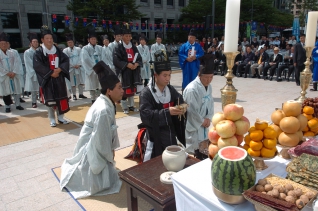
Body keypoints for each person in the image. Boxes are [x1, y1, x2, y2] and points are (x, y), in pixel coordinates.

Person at [60, 61, 123, 199]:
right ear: (109, 91)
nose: (122, 90)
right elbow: (101, 140)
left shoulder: (106, 102)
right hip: (91, 146)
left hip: (93, 141)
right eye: (119, 87)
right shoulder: (104, 109)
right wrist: (110, 154)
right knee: (103, 180)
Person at [139, 52, 186, 160]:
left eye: (169, 75)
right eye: (164, 75)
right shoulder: (146, 93)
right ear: (155, 75)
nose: (168, 78)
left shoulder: (170, 89)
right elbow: (146, 115)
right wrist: (167, 112)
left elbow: (180, 99)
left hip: (170, 135)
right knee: (156, 165)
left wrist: (182, 107)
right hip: (155, 137)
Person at [33, 25, 70, 126]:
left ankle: (61, 117)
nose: (49, 40)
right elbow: (37, 65)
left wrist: (60, 69)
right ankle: (52, 118)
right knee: (50, 101)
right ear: (42, 40)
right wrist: (50, 73)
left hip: (59, 78)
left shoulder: (57, 50)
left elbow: (65, 60)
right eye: (47, 38)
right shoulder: (39, 52)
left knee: (61, 98)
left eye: (51, 38)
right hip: (48, 80)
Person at [183, 55, 214, 158]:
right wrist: (202, 121)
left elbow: (211, 103)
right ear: (199, 75)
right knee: (193, 153)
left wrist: (209, 118)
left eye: (211, 77)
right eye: (206, 77)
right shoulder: (192, 89)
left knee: (204, 149)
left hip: (204, 124)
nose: (208, 80)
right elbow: (191, 110)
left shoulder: (208, 87)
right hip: (195, 125)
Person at [113, 25, 142, 114]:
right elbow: (116, 60)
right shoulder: (118, 47)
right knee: (124, 90)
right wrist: (126, 65)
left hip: (133, 70)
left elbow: (139, 58)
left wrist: (137, 64)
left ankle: (132, 106)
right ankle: (125, 107)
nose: (128, 38)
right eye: (126, 36)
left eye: (129, 36)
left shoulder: (133, 46)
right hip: (124, 71)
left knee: (132, 90)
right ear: (122, 36)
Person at [0, 32, 24, 113]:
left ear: (7, 44)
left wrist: (14, 72)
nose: (3, 45)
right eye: (2, 43)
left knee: (16, 89)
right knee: (6, 91)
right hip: (4, 76)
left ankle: (18, 104)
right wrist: (7, 73)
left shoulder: (13, 52)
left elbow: (17, 62)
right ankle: (7, 106)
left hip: (14, 75)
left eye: (5, 43)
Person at [81, 27, 103, 103]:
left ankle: (100, 99)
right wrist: (94, 67)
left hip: (99, 69)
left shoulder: (100, 48)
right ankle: (93, 99)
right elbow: (86, 60)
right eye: (92, 39)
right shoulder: (85, 48)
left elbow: (103, 58)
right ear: (89, 40)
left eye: (94, 39)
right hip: (91, 70)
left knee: (99, 85)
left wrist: (101, 67)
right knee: (92, 86)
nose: (93, 40)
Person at [63, 33, 87, 101]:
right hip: (71, 68)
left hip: (78, 67)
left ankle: (81, 94)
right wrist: (72, 65)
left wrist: (79, 64)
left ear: (73, 42)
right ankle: (74, 95)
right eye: (68, 42)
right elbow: (66, 59)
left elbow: (81, 57)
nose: (70, 43)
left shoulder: (78, 49)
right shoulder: (65, 50)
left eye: (71, 42)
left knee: (80, 81)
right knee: (72, 82)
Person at [24, 32, 39, 108]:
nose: (36, 43)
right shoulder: (27, 52)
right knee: (33, 89)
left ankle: (42, 99)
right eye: (34, 42)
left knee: (41, 87)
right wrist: (35, 70)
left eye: (36, 42)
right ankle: (34, 102)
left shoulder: (40, 51)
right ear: (31, 43)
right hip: (32, 72)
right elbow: (28, 63)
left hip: (40, 72)